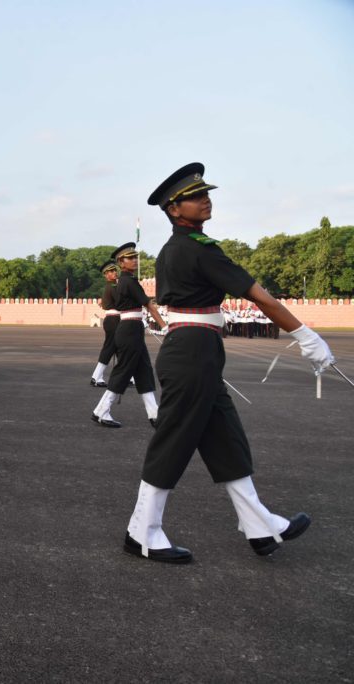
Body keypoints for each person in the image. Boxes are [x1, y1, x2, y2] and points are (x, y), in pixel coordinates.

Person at [123, 162, 332, 563]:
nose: (206, 200)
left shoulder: (174, 249)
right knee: (175, 438)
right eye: (195, 197)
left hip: (196, 351)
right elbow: (261, 297)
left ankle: (259, 524)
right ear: (173, 208)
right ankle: (142, 531)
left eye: (206, 193)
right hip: (193, 354)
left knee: (226, 440)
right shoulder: (199, 250)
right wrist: (306, 336)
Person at [91, 243, 165, 428]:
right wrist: (165, 327)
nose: (135, 260)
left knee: (144, 371)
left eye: (135, 257)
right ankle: (102, 410)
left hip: (131, 327)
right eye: (130, 258)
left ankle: (154, 413)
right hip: (130, 329)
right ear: (121, 263)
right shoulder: (129, 282)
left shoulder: (123, 282)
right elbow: (149, 305)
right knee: (123, 371)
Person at [89, 261, 119, 387]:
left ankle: (130, 377)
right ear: (106, 275)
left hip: (115, 320)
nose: (114, 273)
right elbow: (121, 302)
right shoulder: (112, 286)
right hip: (114, 320)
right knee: (109, 349)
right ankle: (96, 377)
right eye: (111, 272)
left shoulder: (112, 286)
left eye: (115, 270)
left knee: (122, 349)